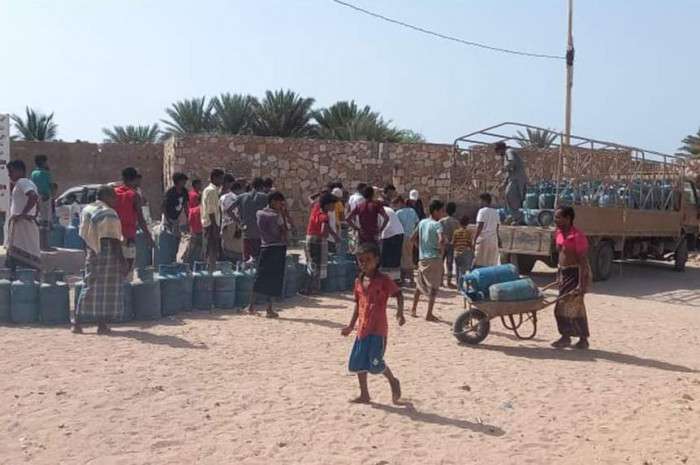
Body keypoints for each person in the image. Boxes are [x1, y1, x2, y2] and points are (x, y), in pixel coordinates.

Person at [341, 242, 404, 404]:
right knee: (358, 362)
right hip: (362, 330)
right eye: (361, 260)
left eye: (368, 259)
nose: (364, 263)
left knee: (376, 364)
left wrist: (400, 313)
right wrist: (350, 326)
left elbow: (398, 294)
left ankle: (393, 380)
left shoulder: (384, 280)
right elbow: (358, 305)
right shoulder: (358, 281)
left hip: (378, 330)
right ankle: (364, 394)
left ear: (376, 260)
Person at [74, 185, 127, 335]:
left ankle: (81, 323)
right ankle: (97, 324)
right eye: (114, 197)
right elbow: (113, 239)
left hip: (92, 251)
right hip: (108, 253)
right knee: (105, 290)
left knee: (91, 286)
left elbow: (84, 234)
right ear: (106, 196)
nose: (116, 200)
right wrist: (122, 260)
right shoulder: (108, 212)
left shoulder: (87, 209)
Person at [552, 206, 592, 350]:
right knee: (572, 307)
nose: (555, 220)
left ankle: (568, 337)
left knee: (565, 307)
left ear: (568, 218)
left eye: (558, 217)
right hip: (565, 273)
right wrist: (559, 275)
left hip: (576, 273)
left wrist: (581, 284)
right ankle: (581, 339)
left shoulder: (577, 236)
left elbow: (583, 262)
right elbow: (560, 255)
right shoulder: (559, 233)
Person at [249, 192, 291, 318]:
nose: (280, 205)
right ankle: (269, 309)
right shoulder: (276, 216)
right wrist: (284, 216)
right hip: (277, 248)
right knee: (274, 279)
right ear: (273, 201)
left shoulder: (259, 213)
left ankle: (251, 306)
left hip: (265, 247)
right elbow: (283, 232)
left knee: (260, 278)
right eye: (279, 203)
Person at [410, 199, 446, 321]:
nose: (442, 213)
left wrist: (420, 248)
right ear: (435, 211)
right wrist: (440, 250)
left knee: (419, 285)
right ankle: (429, 314)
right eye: (441, 211)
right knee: (433, 287)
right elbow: (441, 239)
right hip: (434, 258)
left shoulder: (422, 222)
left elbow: (412, 238)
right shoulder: (437, 225)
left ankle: (413, 309)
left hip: (422, 258)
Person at [114, 167, 153, 272]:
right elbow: (140, 218)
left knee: (115, 266)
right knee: (128, 267)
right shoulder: (134, 195)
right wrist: (148, 237)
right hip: (128, 237)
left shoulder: (114, 192)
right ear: (135, 179)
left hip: (114, 236)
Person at [5, 160, 40, 273]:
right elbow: (37, 202)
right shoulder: (28, 183)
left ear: (20, 170)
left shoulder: (22, 182)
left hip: (22, 225)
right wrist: (33, 215)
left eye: (11, 171)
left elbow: (33, 197)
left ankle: (21, 278)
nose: (9, 174)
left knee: (20, 257)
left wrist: (22, 214)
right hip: (26, 223)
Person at [303, 193, 341, 294]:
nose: (334, 207)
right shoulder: (324, 216)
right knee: (318, 264)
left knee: (311, 262)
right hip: (318, 240)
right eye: (333, 204)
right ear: (327, 205)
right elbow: (324, 230)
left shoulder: (316, 207)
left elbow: (311, 199)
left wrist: (334, 235)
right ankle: (313, 288)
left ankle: (310, 287)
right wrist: (327, 236)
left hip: (310, 237)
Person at [229, 177, 268, 262]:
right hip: (260, 232)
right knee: (260, 259)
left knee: (246, 259)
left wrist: (239, 222)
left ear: (251, 185)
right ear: (262, 187)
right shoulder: (264, 197)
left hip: (246, 231)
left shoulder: (241, 197)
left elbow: (229, 210)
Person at [494, 141, 527, 225]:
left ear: (501, 149)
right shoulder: (506, 155)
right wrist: (504, 183)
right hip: (513, 179)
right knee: (509, 197)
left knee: (510, 195)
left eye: (498, 152)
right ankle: (515, 216)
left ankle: (518, 217)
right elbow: (510, 172)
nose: (498, 154)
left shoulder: (509, 152)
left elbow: (512, 163)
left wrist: (502, 170)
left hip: (517, 179)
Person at [160, 172, 189, 264]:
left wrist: (188, 218)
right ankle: (167, 260)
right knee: (168, 239)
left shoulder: (184, 191)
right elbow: (163, 207)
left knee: (177, 238)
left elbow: (185, 205)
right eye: (183, 181)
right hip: (168, 218)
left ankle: (173, 258)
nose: (184, 183)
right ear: (178, 181)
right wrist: (168, 220)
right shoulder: (170, 192)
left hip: (176, 218)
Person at [201, 169, 225, 271]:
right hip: (211, 225)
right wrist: (215, 227)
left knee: (210, 250)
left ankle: (209, 270)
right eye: (221, 178)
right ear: (215, 178)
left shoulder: (210, 190)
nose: (222, 181)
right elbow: (211, 211)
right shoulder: (211, 191)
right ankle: (209, 272)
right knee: (211, 250)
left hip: (210, 224)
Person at [394, 196, 419, 286]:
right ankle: (410, 279)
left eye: (397, 204)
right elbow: (417, 223)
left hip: (403, 236)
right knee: (409, 256)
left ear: (400, 203)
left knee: (403, 258)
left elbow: (395, 225)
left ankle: (404, 278)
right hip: (411, 236)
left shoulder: (398, 213)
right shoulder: (412, 211)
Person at [30, 155, 53, 251]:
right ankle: (45, 245)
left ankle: (39, 244)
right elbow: (50, 186)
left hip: (36, 198)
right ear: (43, 162)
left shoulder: (33, 173)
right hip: (45, 198)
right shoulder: (46, 173)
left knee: (39, 222)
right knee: (45, 223)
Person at [472, 193, 500, 268]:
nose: (479, 203)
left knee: (479, 264)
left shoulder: (482, 211)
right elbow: (497, 228)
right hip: (493, 241)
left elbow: (480, 227)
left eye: (480, 201)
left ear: (484, 201)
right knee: (491, 265)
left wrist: (474, 240)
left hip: (483, 241)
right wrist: (499, 240)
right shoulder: (496, 212)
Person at [379, 201, 404, 281]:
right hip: (400, 232)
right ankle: (396, 278)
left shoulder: (380, 210)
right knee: (396, 257)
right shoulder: (389, 209)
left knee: (386, 258)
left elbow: (380, 224)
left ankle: (387, 279)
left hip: (390, 234)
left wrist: (379, 234)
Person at [221, 178, 244, 262]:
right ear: (239, 189)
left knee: (227, 250)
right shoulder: (237, 198)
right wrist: (239, 222)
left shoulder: (223, 197)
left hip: (225, 227)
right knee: (236, 252)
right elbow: (232, 211)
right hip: (234, 228)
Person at [439, 202, 460, 288]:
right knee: (449, 263)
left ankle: (440, 281)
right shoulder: (456, 222)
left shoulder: (441, 221)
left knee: (440, 262)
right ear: (454, 211)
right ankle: (449, 281)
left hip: (442, 244)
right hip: (451, 245)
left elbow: (438, 232)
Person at [182, 193, 203, 265]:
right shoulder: (207, 211)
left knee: (190, 252)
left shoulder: (192, 210)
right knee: (201, 253)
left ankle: (186, 264)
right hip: (203, 234)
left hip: (194, 233)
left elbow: (189, 222)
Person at [452, 215, 474, 281]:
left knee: (457, 269)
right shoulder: (468, 232)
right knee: (462, 271)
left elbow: (453, 243)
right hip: (464, 253)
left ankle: (457, 283)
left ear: (459, 223)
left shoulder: (456, 232)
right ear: (467, 223)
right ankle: (460, 284)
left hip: (457, 253)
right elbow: (470, 244)